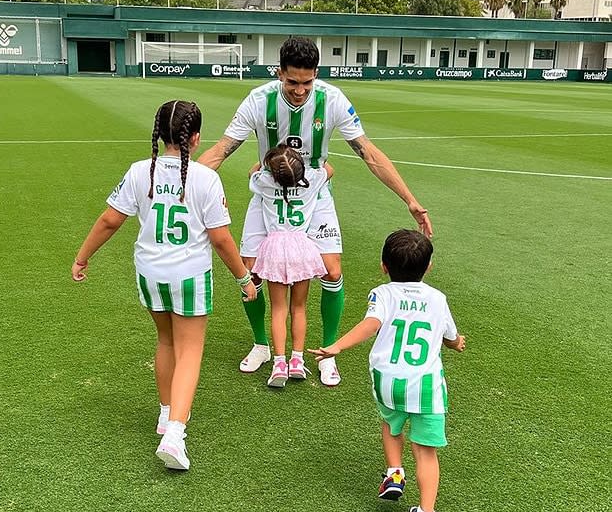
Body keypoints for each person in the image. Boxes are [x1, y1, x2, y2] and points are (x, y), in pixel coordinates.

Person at [197, 36, 432, 388]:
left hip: (315, 193)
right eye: (292, 82)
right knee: (251, 272)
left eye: (307, 82)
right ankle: (262, 344)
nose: (300, 91)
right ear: (279, 73)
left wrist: (409, 199)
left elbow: (367, 152)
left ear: (316, 75)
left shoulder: (331, 99)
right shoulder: (259, 100)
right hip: (268, 192)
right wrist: (187, 191)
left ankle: (328, 352)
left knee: (331, 269)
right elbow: (222, 150)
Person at [71, 100, 256, 472]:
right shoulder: (205, 178)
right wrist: (244, 277)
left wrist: (82, 257)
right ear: (196, 138)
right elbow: (221, 239)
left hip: (149, 271)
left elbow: (110, 219)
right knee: (190, 351)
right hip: (189, 274)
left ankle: (166, 411)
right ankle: (174, 433)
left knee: (166, 340)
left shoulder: (141, 171)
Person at [309, 230, 465, 512]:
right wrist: (457, 343)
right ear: (429, 266)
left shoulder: (382, 294)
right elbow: (450, 337)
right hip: (426, 386)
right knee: (425, 450)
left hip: (389, 380)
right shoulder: (438, 299)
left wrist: (337, 346)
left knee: (391, 424)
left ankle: (394, 472)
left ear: (383, 266)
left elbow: (372, 324)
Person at [249, 145, 329, 387]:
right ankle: (297, 359)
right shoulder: (312, 181)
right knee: (300, 307)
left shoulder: (263, 182)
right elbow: (329, 169)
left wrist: (268, 168)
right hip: (301, 247)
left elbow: (253, 172)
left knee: (278, 309)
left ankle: (279, 363)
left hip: (274, 247)